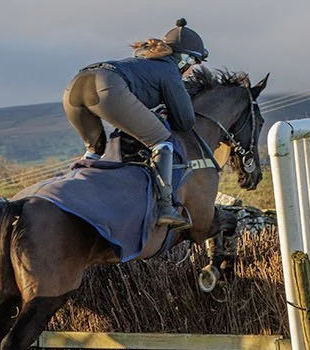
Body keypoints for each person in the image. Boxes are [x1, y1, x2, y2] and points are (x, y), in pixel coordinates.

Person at [62, 18, 208, 230]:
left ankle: (71, 188)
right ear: (183, 59)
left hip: (74, 86)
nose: (191, 70)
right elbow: (185, 122)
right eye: (193, 63)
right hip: (106, 85)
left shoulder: (144, 64)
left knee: (95, 150)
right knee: (162, 141)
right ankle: (165, 207)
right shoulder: (168, 70)